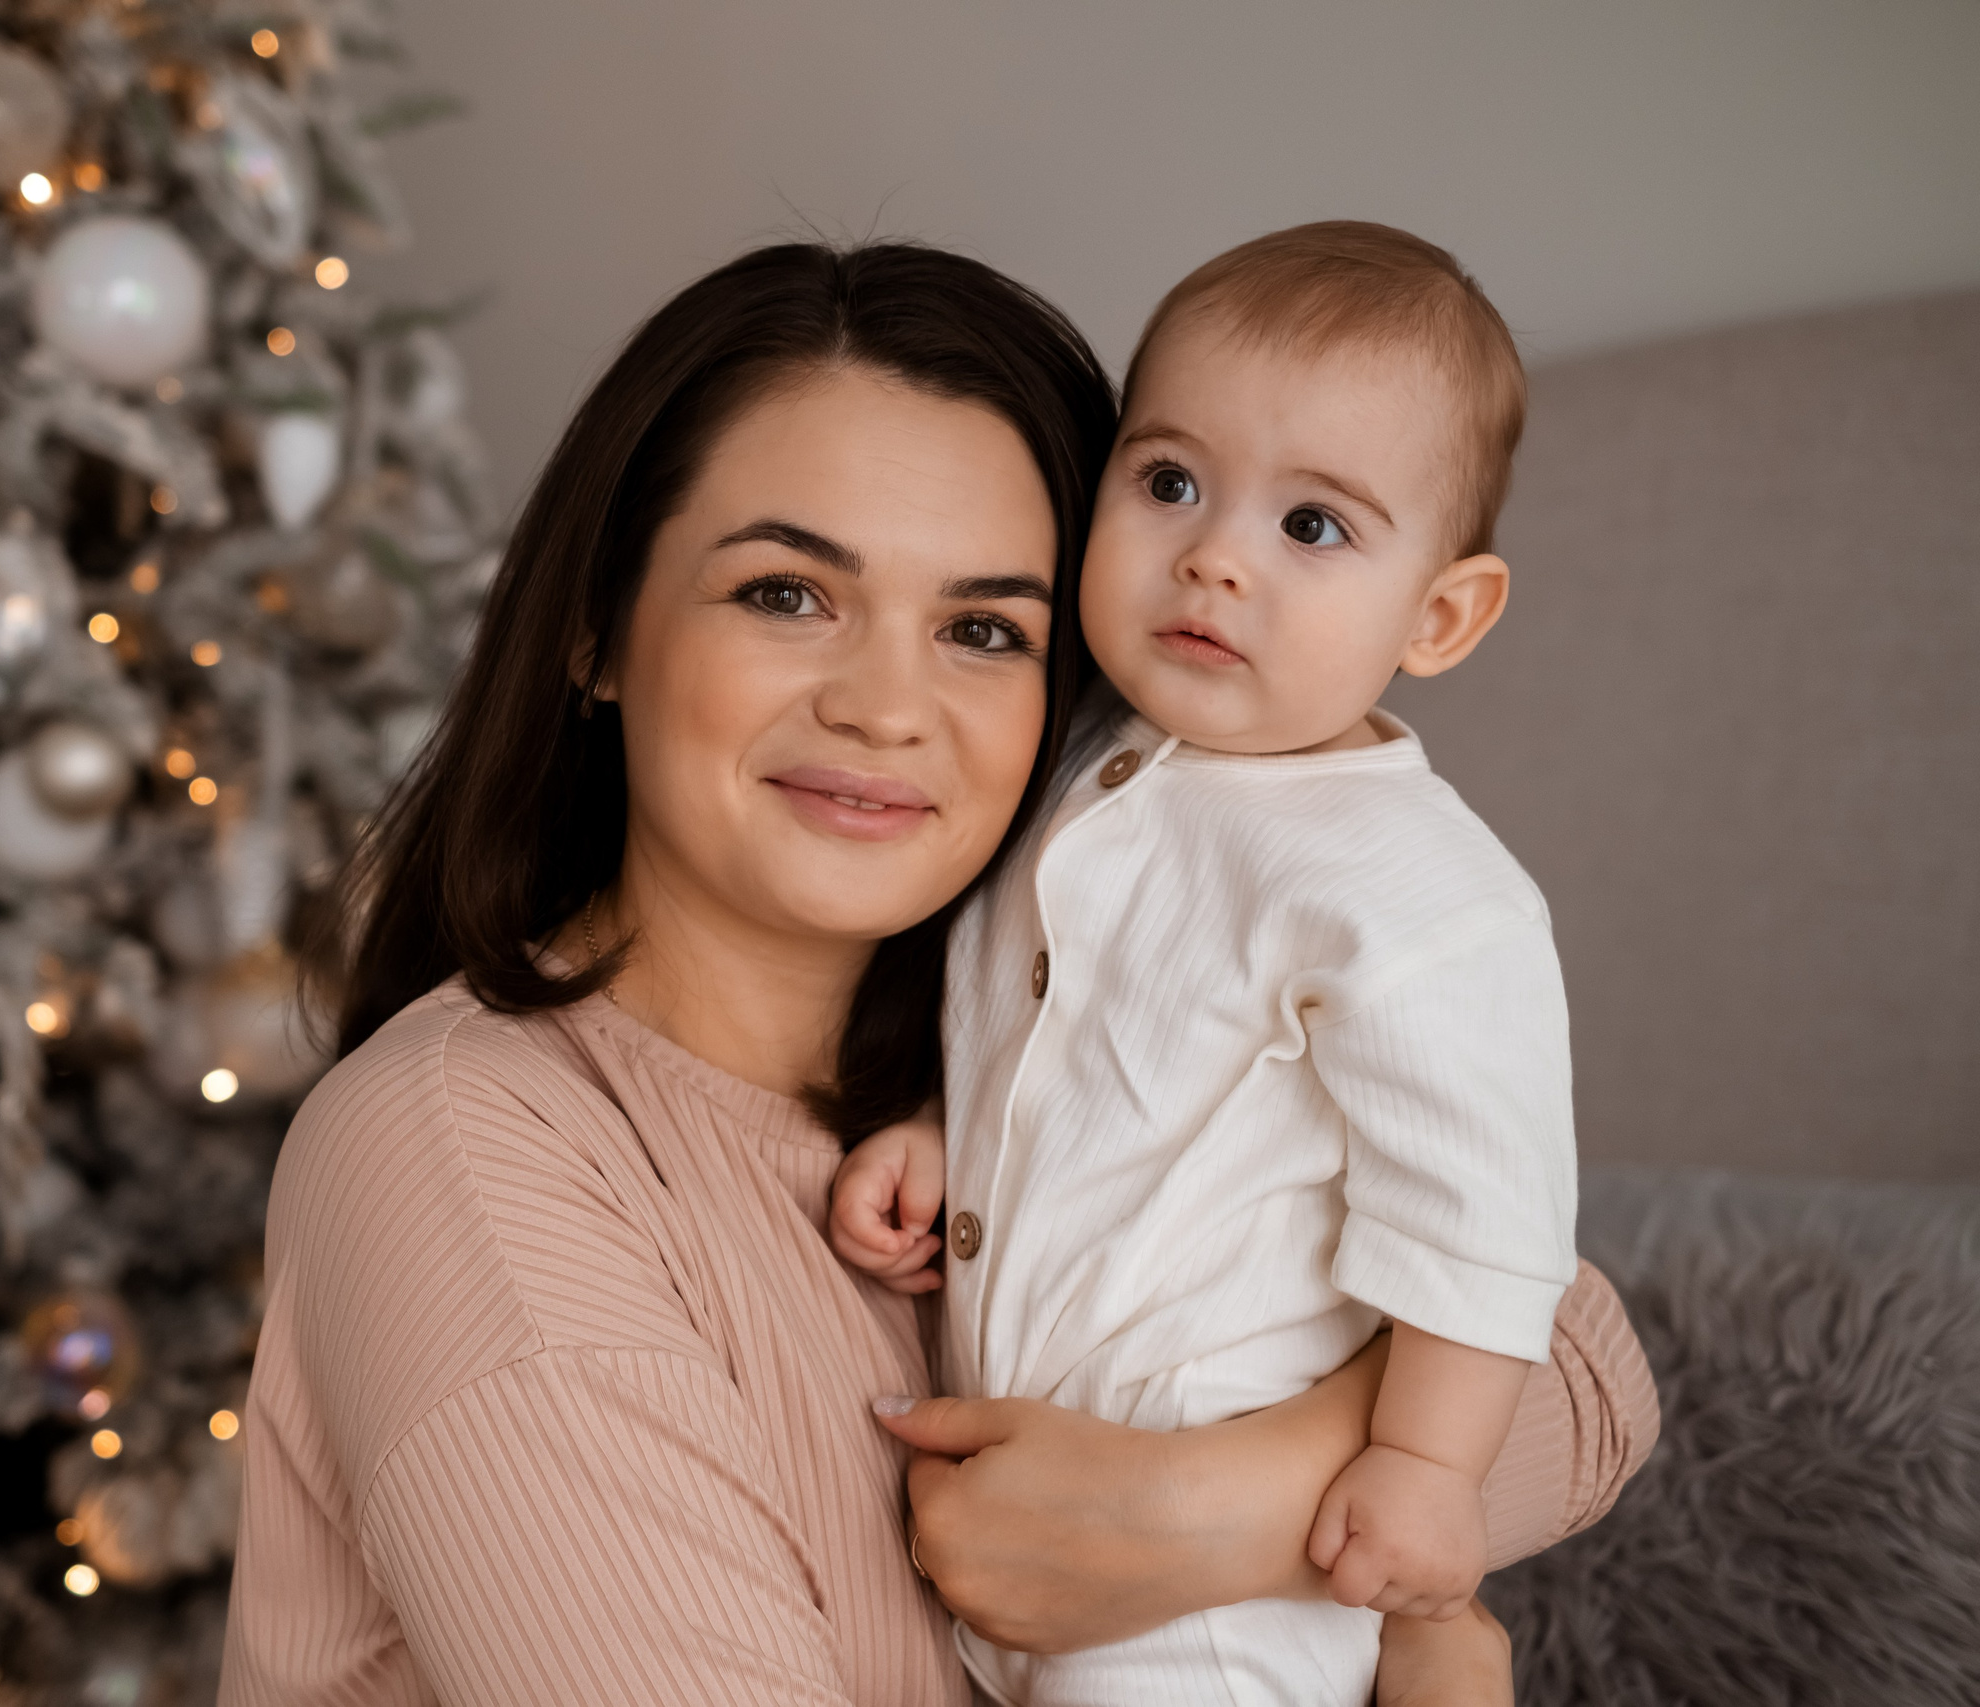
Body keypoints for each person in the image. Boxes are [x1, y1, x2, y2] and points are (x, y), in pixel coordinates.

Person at [220, 241, 1658, 1707]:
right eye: (786, 594)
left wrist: (1192, 1517)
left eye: (982, 630)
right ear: (598, 625)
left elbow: (1586, 1358)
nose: (887, 708)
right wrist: (1345, 1524)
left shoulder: (1049, 1062)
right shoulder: (457, 1155)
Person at [827, 222, 1593, 1705]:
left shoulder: (1419, 890)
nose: (1214, 556)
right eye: (1170, 482)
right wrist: (942, 1130)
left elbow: (1485, 1217)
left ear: (1439, 615)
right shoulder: (1076, 762)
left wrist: (1427, 1467)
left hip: (1213, 1581)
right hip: (1024, 1508)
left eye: (1312, 526)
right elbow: (1070, 1041)